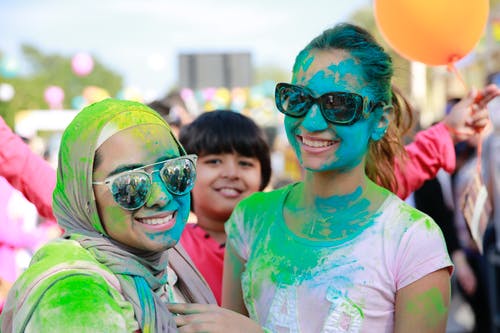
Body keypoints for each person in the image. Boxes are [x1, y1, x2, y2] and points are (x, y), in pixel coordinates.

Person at [0, 99, 215, 332]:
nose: (161, 196)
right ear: (84, 195)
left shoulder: (168, 264)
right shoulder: (75, 298)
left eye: (175, 172)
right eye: (130, 184)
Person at [178, 110, 272, 304]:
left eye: (245, 163)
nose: (231, 173)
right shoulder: (171, 248)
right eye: (214, 161)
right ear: (186, 173)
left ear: (263, 176)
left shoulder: (277, 243)